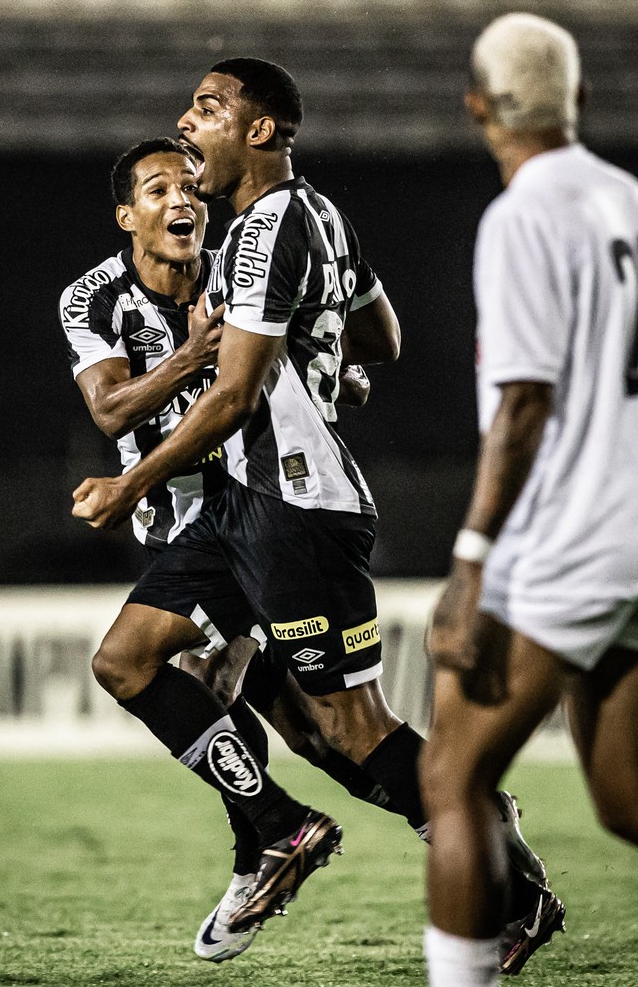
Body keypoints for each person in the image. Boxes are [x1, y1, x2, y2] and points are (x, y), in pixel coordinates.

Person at [71, 59, 560, 970]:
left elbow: (231, 398)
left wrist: (128, 485)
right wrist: (318, 356)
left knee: (347, 730)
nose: (188, 123)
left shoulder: (260, 231)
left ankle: (505, 874)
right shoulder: (321, 215)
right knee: (127, 660)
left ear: (260, 130)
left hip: (293, 505)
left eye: (208, 108)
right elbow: (382, 338)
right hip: (238, 508)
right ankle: (275, 826)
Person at [420, 11, 638, 987]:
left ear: (477, 107)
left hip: (569, 539)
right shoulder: (633, 199)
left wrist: (470, 559)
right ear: (579, 98)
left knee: (451, 778)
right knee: (636, 801)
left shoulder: (522, 216)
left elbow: (525, 403)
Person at [59, 134, 397, 963]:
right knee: (313, 731)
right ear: (127, 216)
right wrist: (192, 357)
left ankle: (270, 845)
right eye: (159, 190)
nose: (182, 200)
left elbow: (340, 346)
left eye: (190, 187)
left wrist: (327, 373)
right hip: (176, 529)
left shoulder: (242, 267)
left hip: (254, 513)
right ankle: (442, 821)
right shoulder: (92, 298)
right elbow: (111, 411)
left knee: (196, 680)